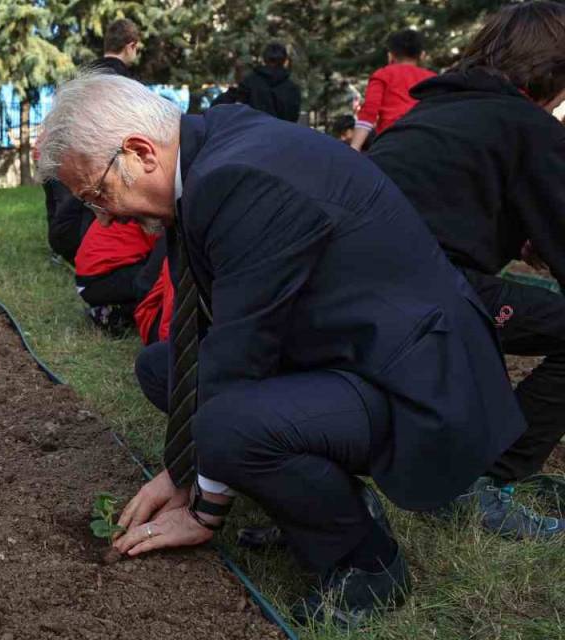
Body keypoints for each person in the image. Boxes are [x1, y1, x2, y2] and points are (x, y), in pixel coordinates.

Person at [36, 73, 523, 626]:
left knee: (227, 425)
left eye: (97, 194)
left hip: (417, 382)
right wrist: (182, 467)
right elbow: (215, 339)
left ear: (140, 151)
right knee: (163, 368)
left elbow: (240, 357)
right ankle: (322, 501)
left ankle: (368, 566)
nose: (101, 217)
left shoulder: (236, 178)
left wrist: (199, 499)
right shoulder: (210, 148)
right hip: (351, 351)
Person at [368, 1, 565, 539]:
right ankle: (486, 480)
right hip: (422, 297)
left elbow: (442, 202)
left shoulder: (431, 111)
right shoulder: (527, 125)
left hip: (354, 293)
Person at [44, 18, 144, 265]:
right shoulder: (127, 84)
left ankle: (71, 254)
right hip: (105, 163)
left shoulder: (82, 77)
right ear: (131, 46)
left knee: (69, 218)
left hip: (67, 159)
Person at [74, 219, 165, 338]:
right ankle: (114, 315)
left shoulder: (132, 204)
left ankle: (111, 311)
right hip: (99, 278)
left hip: (89, 278)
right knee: (159, 280)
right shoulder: (155, 212)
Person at [349, 30, 435, 151]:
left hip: (391, 141)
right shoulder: (433, 79)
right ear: (422, 55)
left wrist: (354, 148)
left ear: (390, 55)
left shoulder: (382, 75)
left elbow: (370, 110)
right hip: (426, 141)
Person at [237, 43, 302, 122]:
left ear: (264, 59)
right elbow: (293, 116)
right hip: (282, 131)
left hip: (255, 131)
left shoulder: (249, 83)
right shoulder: (292, 88)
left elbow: (241, 111)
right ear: (285, 61)